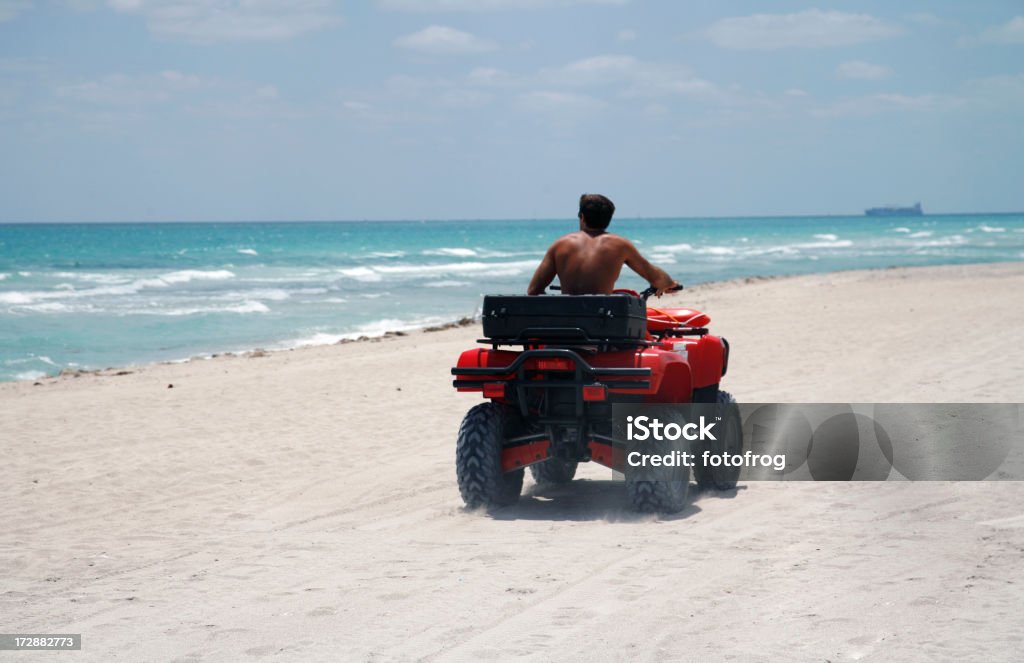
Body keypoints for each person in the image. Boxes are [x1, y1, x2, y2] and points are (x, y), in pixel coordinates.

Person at [527, 194, 679, 296]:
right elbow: (656, 278)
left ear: (582, 217)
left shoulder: (560, 245)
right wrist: (670, 283)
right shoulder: (620, 245)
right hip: (602, 324)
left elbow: (533, 290)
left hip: (567, 323)